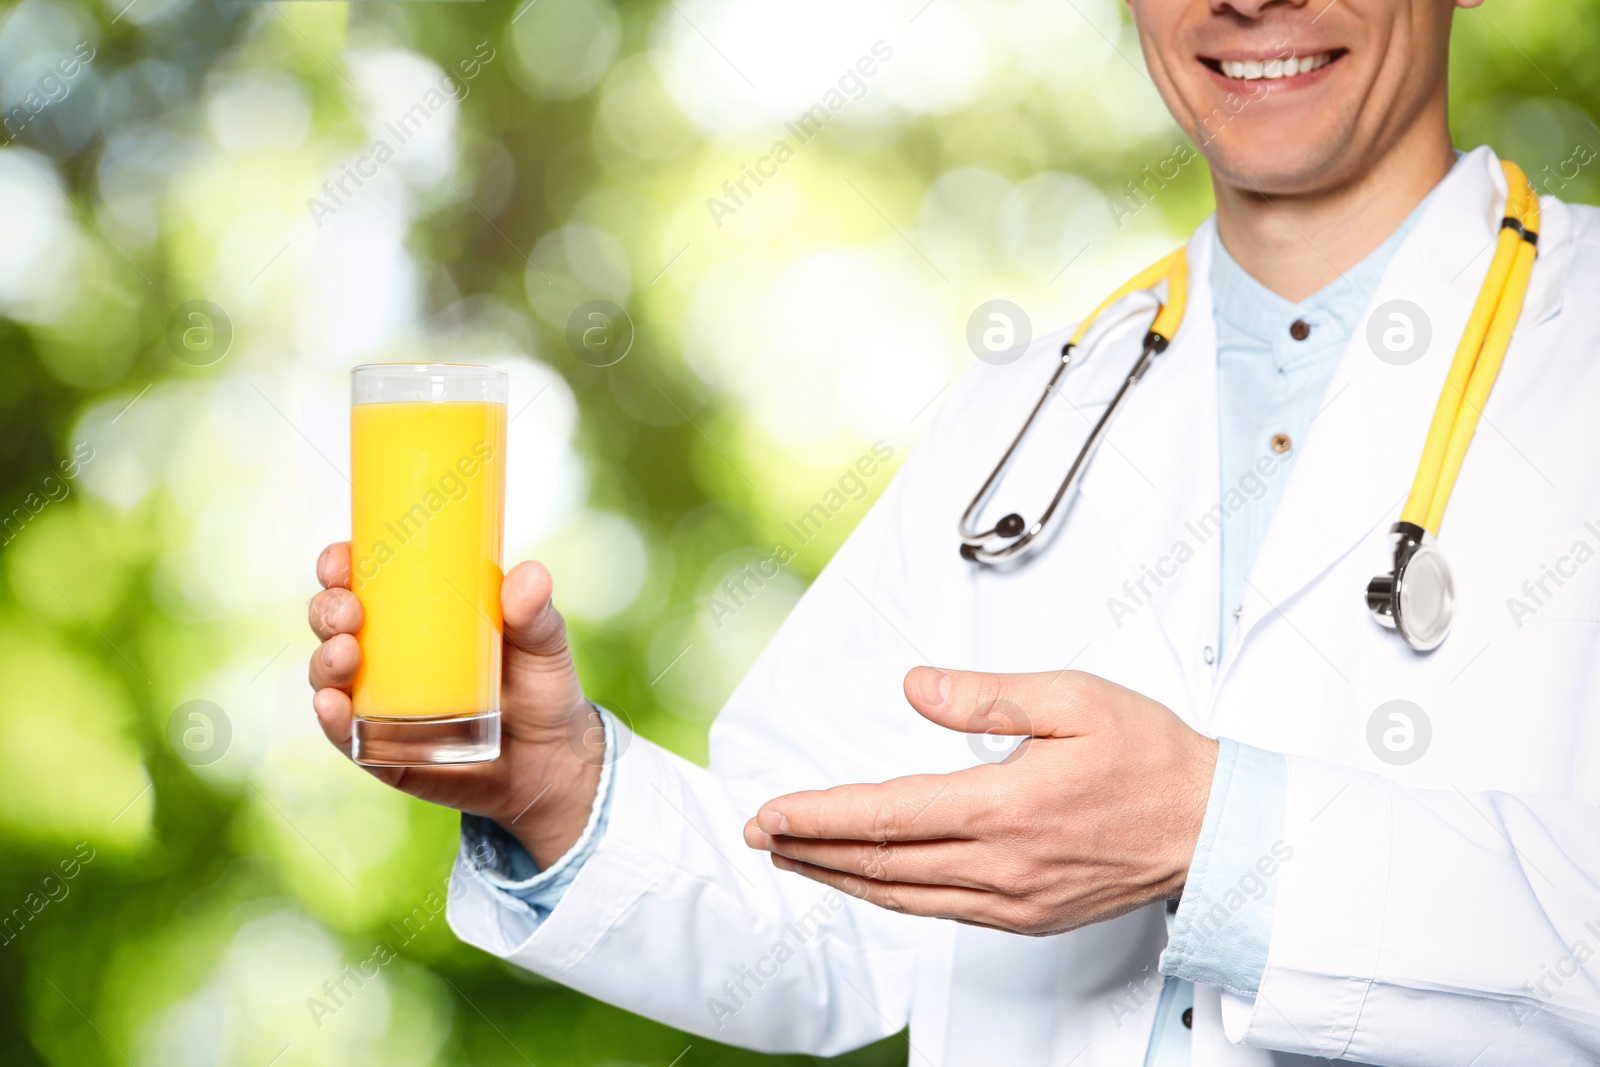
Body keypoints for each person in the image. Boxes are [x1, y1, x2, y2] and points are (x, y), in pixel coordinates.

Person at [308, 0, 1600, 1062]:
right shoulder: (1024, 418)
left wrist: (1221, 838)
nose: (1248, 1)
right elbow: (822, 926)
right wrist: (557, 789)